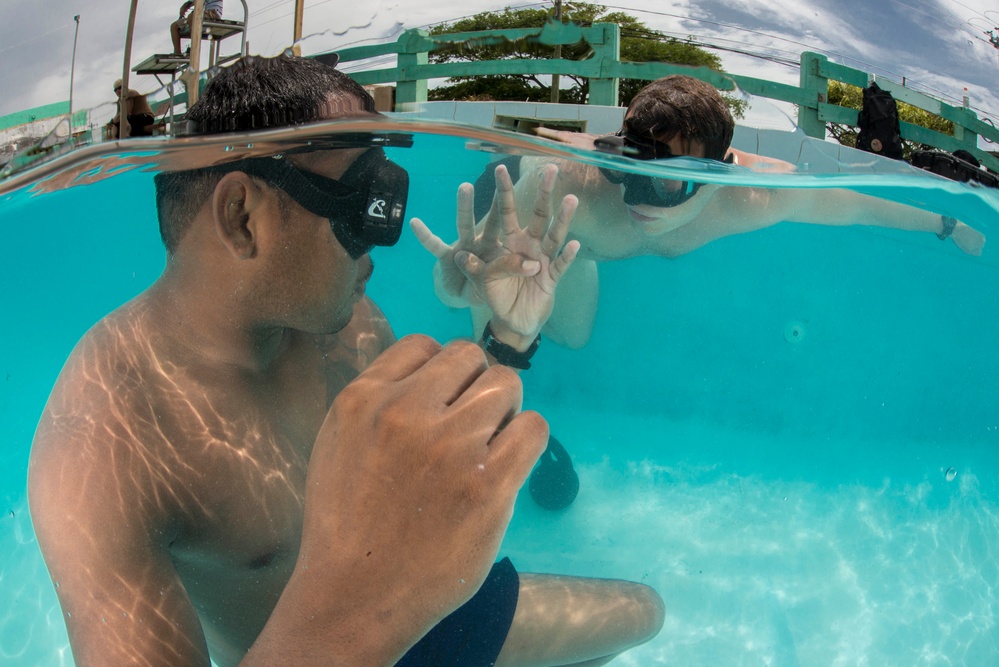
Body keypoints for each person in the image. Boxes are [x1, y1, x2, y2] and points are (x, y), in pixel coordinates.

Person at [28, 54, 664, 667]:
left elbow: (440, 467)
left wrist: (509, 337)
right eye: (364, 202)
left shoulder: (345, 325)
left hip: (427, 614)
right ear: (242, 217)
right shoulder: (102, 439)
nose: (381, 235)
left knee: (644, 614)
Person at [416, 75, 987, 349]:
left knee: (576, 339)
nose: (640, 201)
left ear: (718, 176)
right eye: (630, 173)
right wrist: (452, 282)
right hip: (532, 233)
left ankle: (572, 274)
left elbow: (860, 209)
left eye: (668, 186)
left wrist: (948, 223)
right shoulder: (561, 182)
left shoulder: (754, 196)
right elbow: (462, 286)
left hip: (578, 255)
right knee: (498, 323)